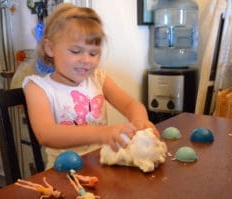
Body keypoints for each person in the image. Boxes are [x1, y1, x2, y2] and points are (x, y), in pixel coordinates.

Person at [22, 3, 159, 169]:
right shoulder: (37, 87)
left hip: (103, 164)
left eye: (93, 53)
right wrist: (101, 134)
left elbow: (131, 104)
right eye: (76, 51)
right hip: (64, 173)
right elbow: (46, 134)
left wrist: (140, 122)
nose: (86, 60)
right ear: (50, 48)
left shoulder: (98, 78)